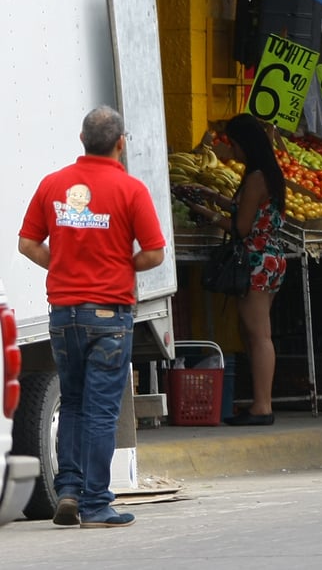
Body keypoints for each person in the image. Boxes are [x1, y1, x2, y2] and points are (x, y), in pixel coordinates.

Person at [18, 106, 166, 528]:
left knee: (76, 404)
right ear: (121, 143)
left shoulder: (53, 184)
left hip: (64, 315)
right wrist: (121, 265)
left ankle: (68, 490)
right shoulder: (130, 190)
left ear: (82, 140)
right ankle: (97, 504)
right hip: (109, 315)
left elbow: (28, 243)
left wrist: (64, 265)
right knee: (101, 411)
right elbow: (154, 252)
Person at [184, 113, 289, 426]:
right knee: (256, 333)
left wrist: (207, 214)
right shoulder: (267, 174)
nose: (232, 150)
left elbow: (242, 227)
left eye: (234, 144)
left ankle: (262, 406)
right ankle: (260, 402)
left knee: (259, 335)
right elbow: (251, 212)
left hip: (256, 260)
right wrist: (214, 197)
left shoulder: (256, 177)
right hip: (269, 258)